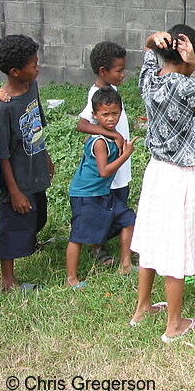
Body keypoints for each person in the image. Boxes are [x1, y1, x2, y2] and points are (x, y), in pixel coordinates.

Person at [130, 25, 195, 342]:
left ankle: (142, 307)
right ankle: (174, 325)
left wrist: (153, 38)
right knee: (175, 248)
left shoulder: (150, 79)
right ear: (188, 56)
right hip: (180, 175)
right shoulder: (183, 86)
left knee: (151, 240)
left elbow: (149, 49)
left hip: (156, 171)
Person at [0, 35, 54, 293]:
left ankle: (31, 240)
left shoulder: (32, 86)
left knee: (38, 214)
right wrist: (15, 191)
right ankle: (7, 280)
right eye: (33, 64)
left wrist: (47, 155)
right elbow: (3, 153)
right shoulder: (2, 108)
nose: (38, 67)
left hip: (35, 166)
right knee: (11, 224)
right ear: (14, 71)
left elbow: (37, 122)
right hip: (16, 178)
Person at [66, 87, 138, 288]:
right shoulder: (99, 141)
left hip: (103, 193)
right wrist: (126, 154)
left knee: (128, 219)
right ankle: (71, 278)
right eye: (105, 114)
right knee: (78, 236)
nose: (110, 119)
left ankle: (126, 264)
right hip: (86, 194)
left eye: (115, 113)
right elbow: (104, 171)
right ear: (95, 115)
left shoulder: (111, 135)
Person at [76, 41, 131, 267]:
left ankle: (119, 246)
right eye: (119, 70)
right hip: (110, 164)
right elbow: (82, 124)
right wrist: (114, 136)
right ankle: (98, 248)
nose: (123, 74)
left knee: (120, 201)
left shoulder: (111, 90)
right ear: (103, 71)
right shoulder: (96, 94)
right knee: (104, 207)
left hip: (120, 165)